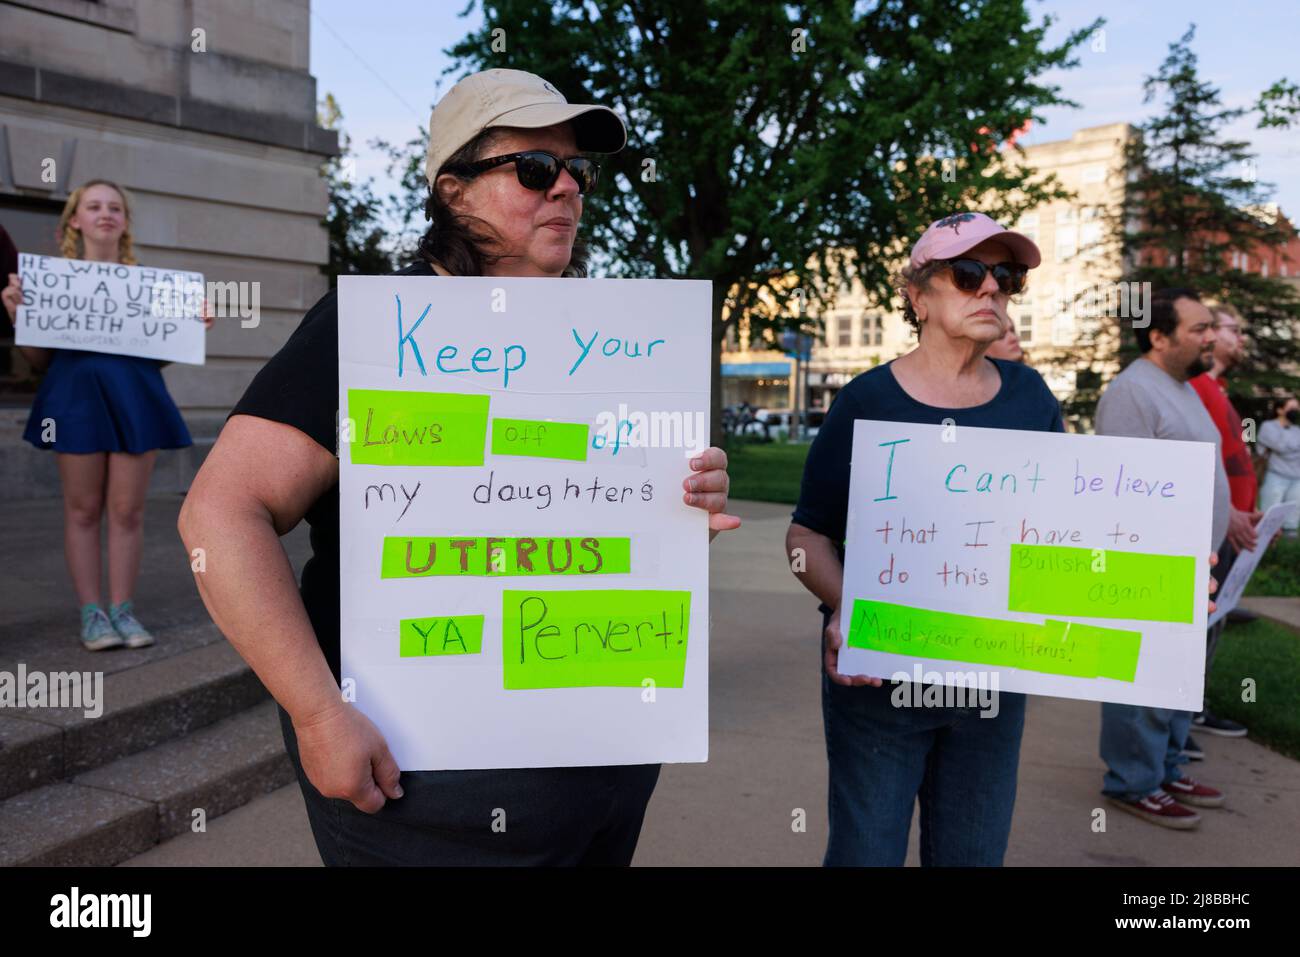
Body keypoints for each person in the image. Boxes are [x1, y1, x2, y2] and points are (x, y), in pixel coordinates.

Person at [177, 69, 740, 866]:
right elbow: (219, 512)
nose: (568, 189)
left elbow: (596, 529)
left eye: (577, 170)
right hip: (426, 791)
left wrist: (683, 507)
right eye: (536, 169)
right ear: (454, 190)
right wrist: (317, 715)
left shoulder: (607, 337)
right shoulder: (375, 325)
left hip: (603, 763)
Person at [786, 211, 1062, 866]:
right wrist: (847, 602)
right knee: (866, 851)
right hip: (880, 675)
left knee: (972, 852)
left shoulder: (1032, 397)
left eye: (1006, 275)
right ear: (918, 295)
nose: (990, 289)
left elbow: (1058, 528)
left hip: (992, 675)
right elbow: (805, 535)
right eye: (968, 274)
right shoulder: (866, 400)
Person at [2, 180, 205, 651]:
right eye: (93, 206)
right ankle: (92, 614)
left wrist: (189, 327)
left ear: (125, 222)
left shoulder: (151, 286)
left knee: (127, 511)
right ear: (75, 220)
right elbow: (37, 358)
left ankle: (123, 611)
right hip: (74, 398)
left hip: (136, 396)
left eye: (115, 207)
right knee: (83, 509)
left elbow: (157, 355)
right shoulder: (51, 281)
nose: (105, 214)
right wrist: (19, 318)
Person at [1095, 288, 1230, 830]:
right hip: (1153, 566)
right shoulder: (1132, 391)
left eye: (1211, 328)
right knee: (1143, 678)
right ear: (1158, 336)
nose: (1211, 337)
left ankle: (1166, 767)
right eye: (1199, 329)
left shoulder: (1183, 386)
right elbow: (1125, 489)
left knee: (1176, 677)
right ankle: (1132, 781)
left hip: (1195, 568)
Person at [1187, 302, 1258, 741]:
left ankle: (1194, 708)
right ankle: (1185, 712)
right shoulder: (1196, 387)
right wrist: (1228, 512)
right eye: (1234, 329)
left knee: (1215, 623)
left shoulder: (1219, 388)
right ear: (1210, 332)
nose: (1241, 338)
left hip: (1233, 528)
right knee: (1200, 623)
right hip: (1214, 528)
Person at [1258, 394, 1300, 537]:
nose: (1296, 410)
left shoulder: (1297, 430)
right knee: (1270, 514)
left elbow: (1284, 449)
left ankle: (1287, 546)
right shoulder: (1268, 427)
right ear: (1280, 410)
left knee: (1293, 516)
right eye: (1292, 407)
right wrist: (1292, 449)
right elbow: (1281, 447)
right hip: (1275, 476)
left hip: (1296, 478)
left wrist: (1287, 449)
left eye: (1297, 407)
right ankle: (1265, 542)